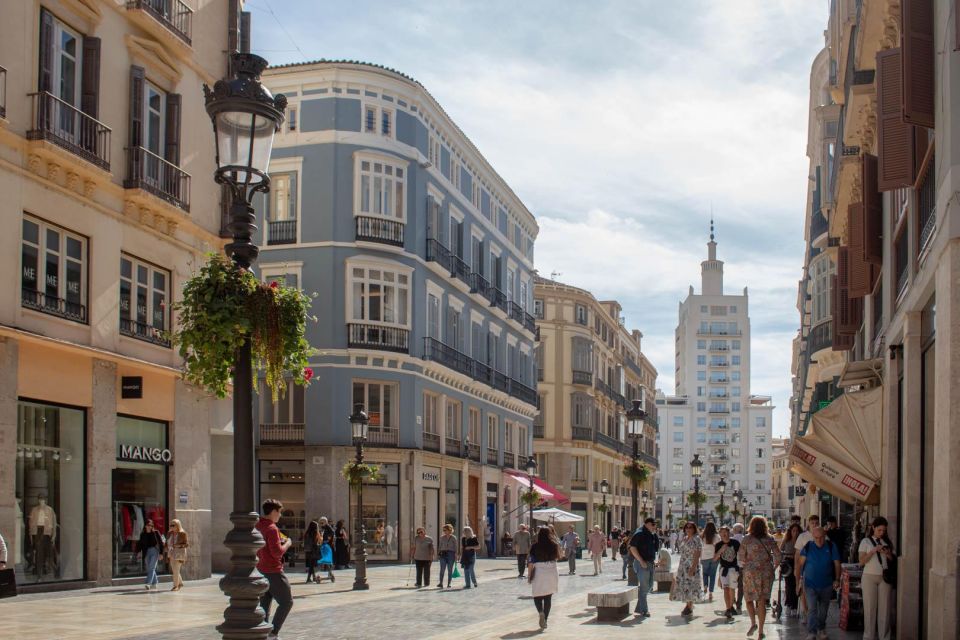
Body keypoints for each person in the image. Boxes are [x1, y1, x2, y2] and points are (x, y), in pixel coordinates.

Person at [738, 515, 782, 640]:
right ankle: (761, 631)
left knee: (749, 599)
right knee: (762, 601)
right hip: (766, 572)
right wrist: (773, 567)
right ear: (765, 526)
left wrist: (748, 562)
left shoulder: (747, 539)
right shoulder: (770, 539)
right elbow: (778, 556)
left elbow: (741, 556)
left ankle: (753, 623)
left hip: (750, 572)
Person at [257, 500, 293, 640]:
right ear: (273, 512)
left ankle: (263, 632)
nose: (280, 515)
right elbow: (277, 553)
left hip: (261, 570)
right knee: (287, 602)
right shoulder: (272, 528)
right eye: (279, 512)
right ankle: (273, 632)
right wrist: (288, 544)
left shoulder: (258, 525)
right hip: (274, 571)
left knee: (265, 603)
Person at [797, 525, 841, 640]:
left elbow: (837, 563)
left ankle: (821, 629)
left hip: (826, 584)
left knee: (823, 610)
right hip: (810, 584)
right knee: (812, 609)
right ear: (813, 537)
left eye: (821, 537)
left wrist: (837, 579)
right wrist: (799, 580)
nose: (819, 540)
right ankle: (812, 632)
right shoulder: (808, 547)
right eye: (816, 538)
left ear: (825, 536)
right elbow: (800, 564)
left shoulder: (831, 546)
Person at [859, 516, 895, 640]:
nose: (881, 533)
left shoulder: (887, 541)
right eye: (879, 530)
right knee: (870, 609)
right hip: (869, 577)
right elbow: (862, 562)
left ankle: (885, 637)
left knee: (885, 610)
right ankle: (868, 636)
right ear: (873, 527)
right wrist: (873, 550)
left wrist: (887, 553)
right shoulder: (865, 541)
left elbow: (892, 560)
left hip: (884, 577)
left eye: (884, 531)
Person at [527, 526, 560, 630]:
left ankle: (540, 612)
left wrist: (529, 576)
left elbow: (530, 562)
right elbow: (558, 557)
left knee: (537, 595)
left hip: (539, 571)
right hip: (551, 570)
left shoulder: (534, 546)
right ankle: (545, 619)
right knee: (548, 597)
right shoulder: (554, 545)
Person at [629, 517, 660, 617]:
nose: (655, 526)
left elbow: (654, 548)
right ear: (647, 524)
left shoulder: (651, 534)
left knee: (649, 586)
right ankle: (644, 610)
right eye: (653, 524)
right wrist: (641, 561)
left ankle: (640, 607)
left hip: (650, 562)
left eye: (655, 525)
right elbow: (632, 548)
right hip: (642, 563)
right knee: (644, 586)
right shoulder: (640, 533)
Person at [671, 521, 703, 616]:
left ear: (694, 529)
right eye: (687, 527)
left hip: (692, 564)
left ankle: (689, 606)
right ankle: (689, 605)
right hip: (683, 565)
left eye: (691, 527)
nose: (688, 529)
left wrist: (693, 567)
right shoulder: (685, 538)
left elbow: (698, 553)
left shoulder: (697, 539)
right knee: (685, 585)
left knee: (691, 584)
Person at [713, 525, 741, 619]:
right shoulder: (718, 545)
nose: (724, 534)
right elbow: (715, 559)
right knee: (726, 588)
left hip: (733, 569)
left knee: (732, 589)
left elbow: (740, 555)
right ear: (719, 534)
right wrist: (721, 550)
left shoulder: (735, 543)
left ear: (729, 533)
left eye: (726, 532)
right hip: (724, 569)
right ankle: (728, 608)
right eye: (722, 532)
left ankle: (731, 605)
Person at [780, 522, 803, 617]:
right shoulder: (787, 540)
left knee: (796, 585)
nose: (795, 533)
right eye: (793, 531)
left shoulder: (801, 541)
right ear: (790, 532)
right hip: (788, 564)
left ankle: (794, 606)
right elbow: (781, 549)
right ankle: (789, 605)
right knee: (789, 586)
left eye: (797, 531)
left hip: (798, 564)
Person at [138, 519, 164, 590]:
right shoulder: (143, 534)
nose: (150, 527)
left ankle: (148, 583)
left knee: (151, 568)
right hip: (146, 552)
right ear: (145, 526)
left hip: (154, 551)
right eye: (148, 525)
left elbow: (161, 543)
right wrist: (138, 552)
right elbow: (140, 544)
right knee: (149, 568)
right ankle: (155, 583)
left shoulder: (156, 532)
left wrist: (161, 553)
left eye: (151, 525)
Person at [166, 519, 188, 592]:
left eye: (173, 525)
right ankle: (180, 583)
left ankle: (176, 586)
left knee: (176, 570)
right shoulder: (169, 533)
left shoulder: (182, 533)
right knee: (175, 570)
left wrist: (178, 545)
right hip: (171, 553)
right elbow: (167, 542)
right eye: (171, 525)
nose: (171, 527)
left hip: (179, 553)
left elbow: (186, 544)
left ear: (178, 525)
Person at [700, 521, 720, 601]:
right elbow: (718, 546)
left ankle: (705, 586)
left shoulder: (702, 536)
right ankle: (711, 593)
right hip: (714, 557)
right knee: (712, 575)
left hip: (704, 557)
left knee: (705, 574)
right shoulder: (716, 536)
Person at [436, 524, 458, 589]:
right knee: (442, 569)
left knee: (450, 569)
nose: (444, 531)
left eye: (445, 530)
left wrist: (456, 555)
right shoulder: (442, 537)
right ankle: (441, 583)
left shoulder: (453, 537)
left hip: (451, 554)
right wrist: (438, 554)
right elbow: (439, 546)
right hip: (443, 554)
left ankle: (449, 583)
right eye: (443, 530)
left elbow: (456, 547)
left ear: (449, 530)